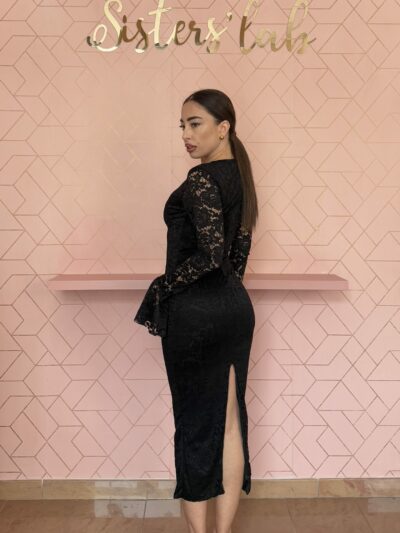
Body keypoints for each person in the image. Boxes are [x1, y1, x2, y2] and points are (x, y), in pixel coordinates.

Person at [134, 88, 258, 533]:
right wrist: (226, 295)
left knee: (194, 425)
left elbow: (208, 255)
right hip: (234, 309)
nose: (186, 134)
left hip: (196, 315)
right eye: (182, 125)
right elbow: (237, 252)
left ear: (223, 128)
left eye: (195, 123)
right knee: (230, 425)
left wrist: (164, 286)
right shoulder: (241, 177)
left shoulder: (201, 179)